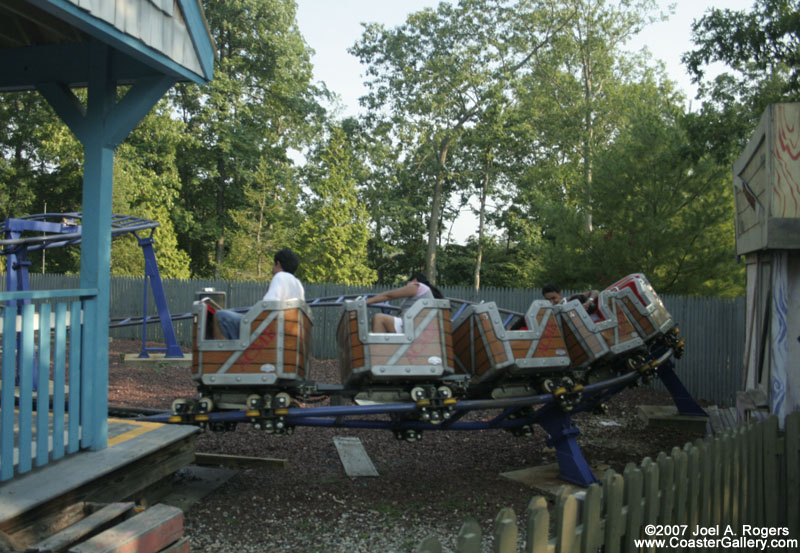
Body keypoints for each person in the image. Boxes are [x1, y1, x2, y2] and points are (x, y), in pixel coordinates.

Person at [215, 248, 305, 340]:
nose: (272, 268)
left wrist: (249, 318)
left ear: (278, 263)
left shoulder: (280, 277)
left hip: (268, 331)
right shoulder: (298, 284)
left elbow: (268, 307)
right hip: (284, 330)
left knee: (219, 315)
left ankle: (222, 353)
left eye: (273, 264)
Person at [365, 272, 444, 333]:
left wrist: (365, 302)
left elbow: (389, 296)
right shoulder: (423, 292)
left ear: (415, 280)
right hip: (412, 324)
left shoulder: (417, 285)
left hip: (410, 326)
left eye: (408, 282)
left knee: (379, 318)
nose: (407, 285)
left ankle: (379, 351)